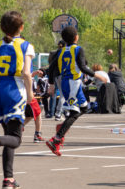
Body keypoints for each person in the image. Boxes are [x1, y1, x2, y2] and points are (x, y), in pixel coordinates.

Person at [0, 11, 34, 189]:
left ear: (2, 28)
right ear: (21, 27)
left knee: (9, 135)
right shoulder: (25, 46)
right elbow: (26, 73)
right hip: (14, 89)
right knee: (16, 139)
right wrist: (31, 95)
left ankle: (8, 179)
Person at [45, 26, 105, 156]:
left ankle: (61, 129)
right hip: (72, 84)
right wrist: (96, 75)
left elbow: (51, 68)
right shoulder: (78, 49)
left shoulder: (60, 51)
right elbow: (83, 68)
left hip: (68, 83)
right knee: (75, 111)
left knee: (83, 108)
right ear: (76, 37)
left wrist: (51, 84)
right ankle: (56, 139)